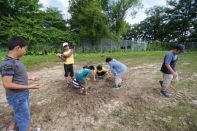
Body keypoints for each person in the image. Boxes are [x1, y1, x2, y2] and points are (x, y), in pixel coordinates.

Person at [0, 36, 41, 131]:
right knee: (24, 117)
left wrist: (30, 77)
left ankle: (10, 128)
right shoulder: (8, 64)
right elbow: (7, 84)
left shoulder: (15, 60)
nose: (25, 51)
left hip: (21, 94)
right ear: (18, 48)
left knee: (20, 112)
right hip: (17, 96)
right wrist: (29, 86)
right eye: (25, 49)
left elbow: (18, 74)